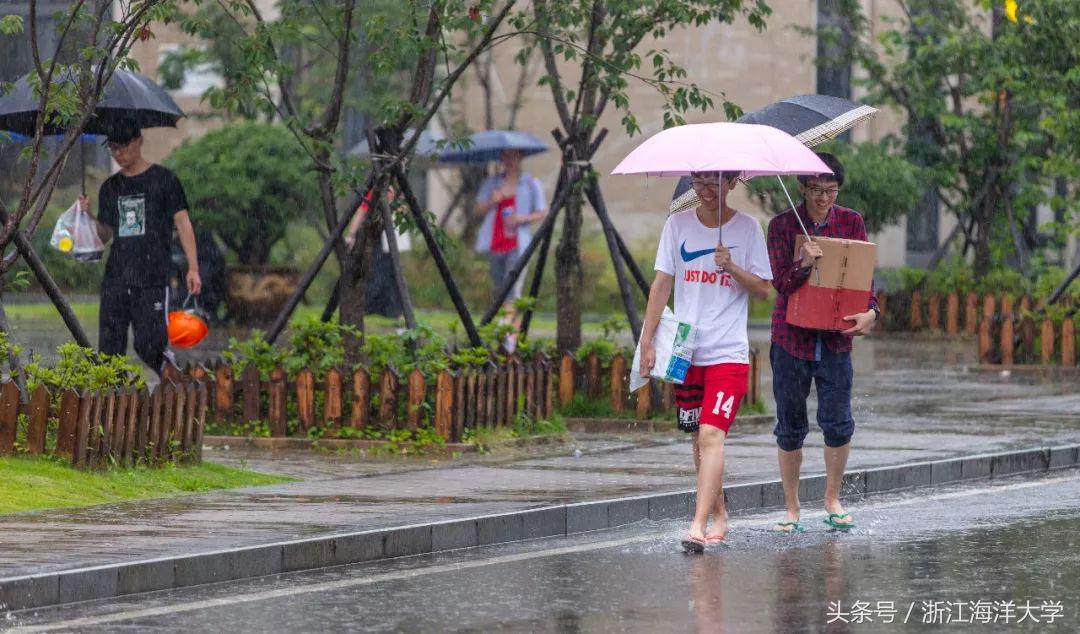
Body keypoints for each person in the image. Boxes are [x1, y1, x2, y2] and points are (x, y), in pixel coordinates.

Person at [639, 171, 773, 551]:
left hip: (728, 353)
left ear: (731, 183)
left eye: (713, 182)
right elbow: (661, 285)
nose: (704, 190)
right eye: (698, 181)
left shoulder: (748, 228)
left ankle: (697, 525)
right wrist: (647, 340)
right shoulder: (676, 225)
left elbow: (764, 290)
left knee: (713, 435)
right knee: (698, 439)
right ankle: (719, 514)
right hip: (686, 349)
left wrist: (731, 267)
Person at [766, 152, 880, 533]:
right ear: (801, 188)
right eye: (816, 189)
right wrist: (802, 263)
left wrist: (872, 313)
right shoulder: (782, 226)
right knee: (790, 424)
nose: (823, 198)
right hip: (791, 340)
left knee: (838, 421)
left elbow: (863, 280)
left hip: (835, 340)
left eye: (831, 190)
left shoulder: (851, 222)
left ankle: (832, 498)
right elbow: (780, 284)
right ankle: (791, 506)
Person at [78, 118, 201, 374]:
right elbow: (105, 234)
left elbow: (183, 223)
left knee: (150, 345)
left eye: (123, 147)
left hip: (152, 279)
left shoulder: (164, 180)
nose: (118, 154)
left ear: (139, 141)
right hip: (116, 278)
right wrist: (87, 215)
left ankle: (176, 385)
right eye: (113, 148)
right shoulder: (110, 187)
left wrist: (193, 268)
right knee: (109, 350)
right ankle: (116, 395)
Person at [473, 149, 547, 346]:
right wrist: (493, 201)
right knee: (499, 291)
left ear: (520, 158)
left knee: (512, 289)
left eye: (513, 156)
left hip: (518, 245)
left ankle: (507, 335)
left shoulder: (530, 183)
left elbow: (541, 212)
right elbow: (478, 210)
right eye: (505, 156)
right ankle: (508, 334)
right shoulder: (492, 183)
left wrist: (521, 218)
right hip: (496, 244)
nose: (509, 161)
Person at [344, 186, 410, 320]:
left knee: (384, 273)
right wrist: (351, 234)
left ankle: (386, 310)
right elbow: (363, 210)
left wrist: (351, 234)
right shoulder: (386, 188)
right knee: (384, 273)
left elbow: (362, 210)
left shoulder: (386, 189)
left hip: (384, 238)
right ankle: (388, 310)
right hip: (381, 238)